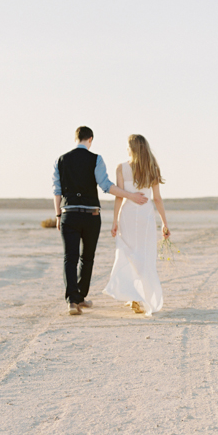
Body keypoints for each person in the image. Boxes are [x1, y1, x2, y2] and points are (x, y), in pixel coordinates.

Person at [52, 126, 148, 315]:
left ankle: (73, 300)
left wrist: (58, 215)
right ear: (91, 139)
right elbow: (106, 186)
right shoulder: (96, 159)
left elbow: (57, 191)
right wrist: (130, 195)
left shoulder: (60, 160)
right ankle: (80, 296)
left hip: (68, 214)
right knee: (87, 258)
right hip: (91, 216)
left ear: (76, 138)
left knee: (69, 258)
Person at [103, 134, 170, 316]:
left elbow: (119, 196)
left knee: (130, 254)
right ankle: (139, 296)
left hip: (128, 215)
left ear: (131, 148)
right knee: (145, 255)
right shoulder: (152, 168)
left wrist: (115, 220)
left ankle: (133, 296)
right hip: (145, 217)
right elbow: (157, 198)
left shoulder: (121, 168)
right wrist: (164, 222)